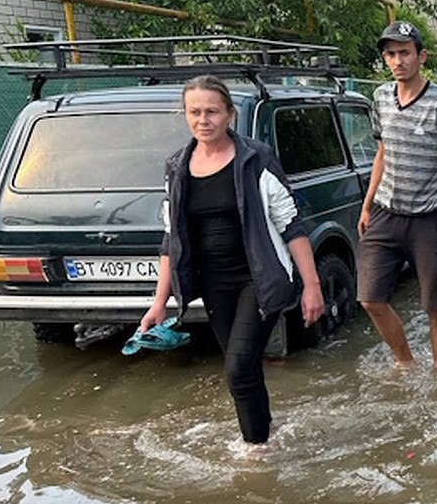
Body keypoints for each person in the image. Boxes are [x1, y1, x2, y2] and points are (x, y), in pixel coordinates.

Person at [139, 75, 325, 448]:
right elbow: (170, 239)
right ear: (185, 115)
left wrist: (312, 287)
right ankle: (264, 436)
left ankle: (255, 452)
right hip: (213, 284)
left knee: (237, 368)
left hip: (258, 278)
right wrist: (159, 303)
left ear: (229, 116)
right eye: (194, 112)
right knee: (244, 367)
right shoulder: (177, 166)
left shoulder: (256, 159)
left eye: (211, 111)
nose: (203, 120)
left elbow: (290, 224)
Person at [358, 21, 437, 371]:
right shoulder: (381, 97)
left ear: (420, 56)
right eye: (391, 54)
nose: (398, 61)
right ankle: (405, 362)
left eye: (405, 53)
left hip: (429, 219)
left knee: (433, 304)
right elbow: (382, 153)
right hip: (385, 213)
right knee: (370, 298)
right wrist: (367, 206)